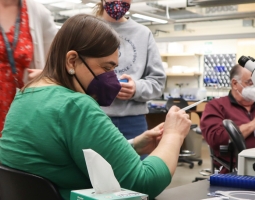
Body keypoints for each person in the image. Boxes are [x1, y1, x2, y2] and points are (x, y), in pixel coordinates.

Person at [0, 14, 191, 200]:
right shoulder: (75, 105)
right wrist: (173, 135)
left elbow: (66, 157)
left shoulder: (25, 95)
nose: (111, 79)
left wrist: (134, 145)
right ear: (72, 61)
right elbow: (143, 182)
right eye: (106, 68)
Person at [94, 0, 166, 142]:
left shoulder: (143, 34)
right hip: (94, 118)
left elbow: (158, 83)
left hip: (133, 123)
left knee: (136, 165)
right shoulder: (88, 30)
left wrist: (136, 88)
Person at [0, 0, 57, 135]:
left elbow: (59, 63)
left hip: (21, 109)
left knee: (15, 151)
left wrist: (46, 75)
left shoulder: (39, 13)